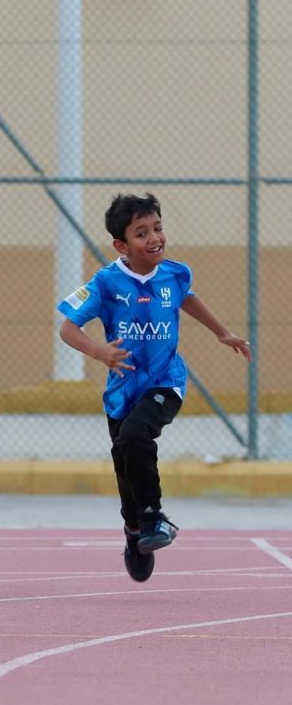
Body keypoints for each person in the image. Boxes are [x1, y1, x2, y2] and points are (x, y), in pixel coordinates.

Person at [57, 193, 251, 583]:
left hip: (166, 382)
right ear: (121, 245)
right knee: (125, 463)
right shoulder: (106, 282)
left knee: (136, 435)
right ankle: (135, 531)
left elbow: (189, 300)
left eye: (158, 228)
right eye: (142, 233)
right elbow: (67, 328)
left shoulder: (175, 274)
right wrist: (99, 352)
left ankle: (153, 517)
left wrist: (223, 333)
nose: (154, 238)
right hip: (121, 393)